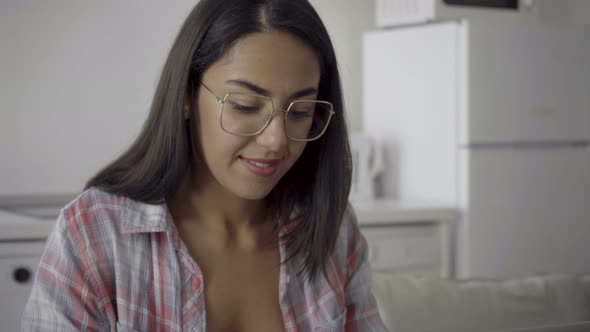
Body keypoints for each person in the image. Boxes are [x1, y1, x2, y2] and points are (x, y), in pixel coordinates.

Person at [22, 0, 389, 331]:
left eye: (301, 111)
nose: (276, 139)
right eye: (245, 105)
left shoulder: (332, 228)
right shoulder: (93, 234)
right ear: (185, 97)